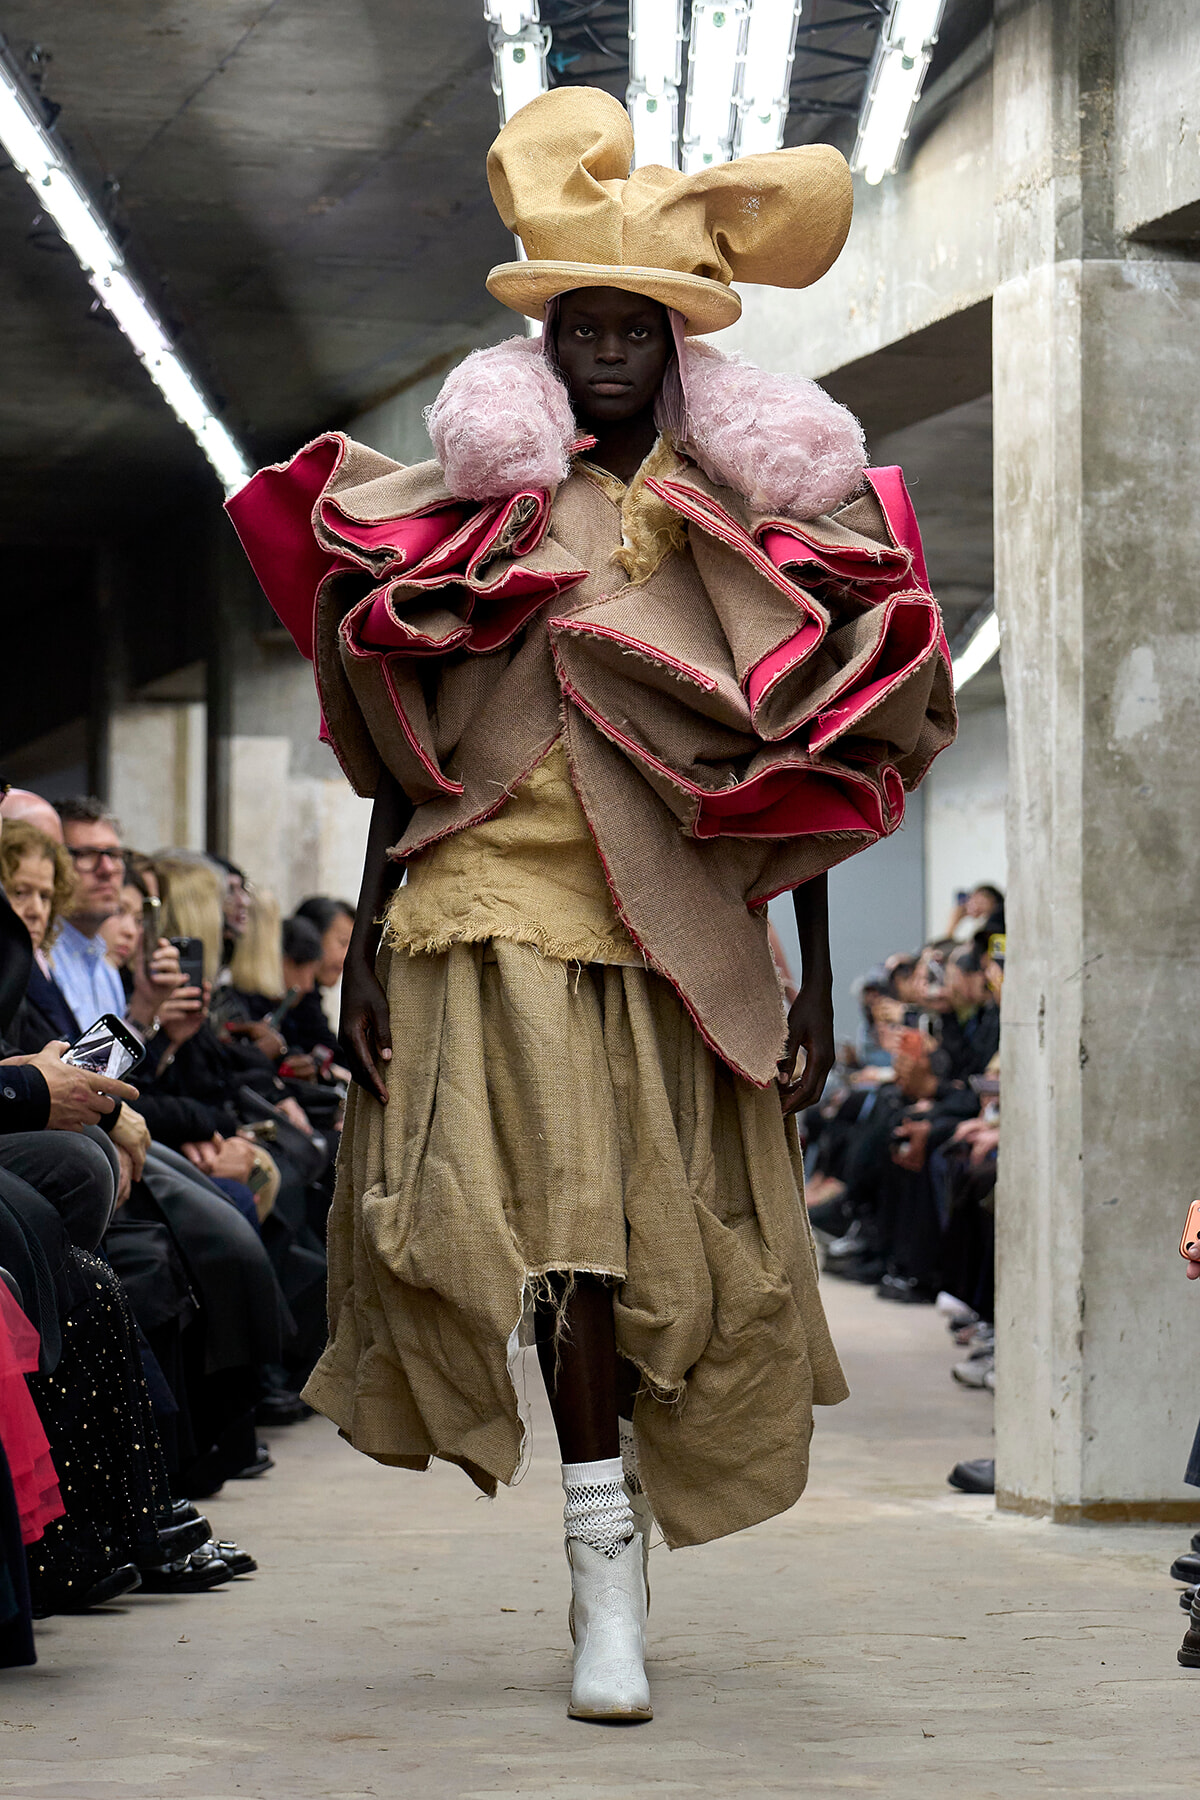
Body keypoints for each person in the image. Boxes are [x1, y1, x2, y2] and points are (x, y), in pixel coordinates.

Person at [227, 86, 955, 1722]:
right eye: (583, 327)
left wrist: (813, 978)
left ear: (679, 350)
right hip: (483, 906)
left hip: (678, 922)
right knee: (560, 1248)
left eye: (637, 327)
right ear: (545, 348)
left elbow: (813, 760)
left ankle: (605, 1569)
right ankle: (600, 1572)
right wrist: (356, 945)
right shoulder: (478, 508)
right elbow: (393, 729)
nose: (608, 351)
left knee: (647, 1258)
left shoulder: (744, 523)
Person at [50, 800, 181, 1039]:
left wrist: (145, 1005)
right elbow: (74, 1074)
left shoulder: (106, 970)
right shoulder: (42, 959)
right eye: (87, 855)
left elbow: (107, 1072)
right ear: (54, 863)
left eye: (114, 854)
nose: (107, 869)